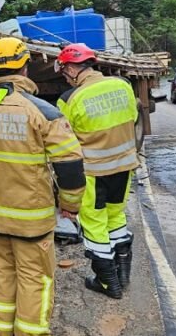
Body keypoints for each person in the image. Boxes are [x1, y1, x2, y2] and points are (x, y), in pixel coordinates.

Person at [0, 37, 86, 335]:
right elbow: (70, 165)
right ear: (25, 69)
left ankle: (1, 329)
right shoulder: (44, 112)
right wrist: (70, 207)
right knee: (34, 278)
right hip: (31, 221)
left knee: (1, 274)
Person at [55, 43, 139, 300]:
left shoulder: (70, 99)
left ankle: (107, 283)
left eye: (65, 72)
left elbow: (63, 141)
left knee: (94, 224)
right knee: (116, 218)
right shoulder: (123, 86)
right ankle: (122, 277)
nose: (66, 77)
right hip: (124, 168)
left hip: (92, 172)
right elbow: (132, 118)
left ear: (71, 68)